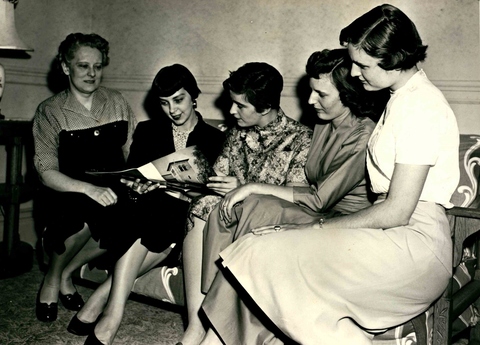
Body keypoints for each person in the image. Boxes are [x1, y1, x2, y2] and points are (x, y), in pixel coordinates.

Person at [196, 4, 460, 345]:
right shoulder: (401, 98)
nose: (352, 73)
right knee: (257, 248)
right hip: (390, 234)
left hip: (414, 246)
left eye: (362, 65)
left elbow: (397, 210)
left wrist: (315, 228)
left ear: (393, 59)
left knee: (265, 251)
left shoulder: (421, 106)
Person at [67, 64, 226, 345]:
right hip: (147, 211)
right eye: (164, 103)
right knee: (145, 214)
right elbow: (131, 177)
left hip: (186, 218)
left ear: (194, 96)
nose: (172, 110)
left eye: (179, 100)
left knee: (157, 217)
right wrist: (136, 185)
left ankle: (105, 300)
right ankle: (113, 314)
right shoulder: (148, 130)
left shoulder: (216, 139)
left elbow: (214, 192)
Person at [179, 62, 313, 345]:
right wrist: (215, 183)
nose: (231, 111)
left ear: (264, 107)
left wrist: (242, 188)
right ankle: (195, 324)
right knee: (202, 207)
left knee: (223, 212)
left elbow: (297, 200)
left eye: (240, 106)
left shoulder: (301, 139)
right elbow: (220, 174)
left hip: (269, 222)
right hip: (230, 214)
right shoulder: (237, 132)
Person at [33, 33, 136, 323]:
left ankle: (66, 272)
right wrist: (88, 189)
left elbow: (132, 152)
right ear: (66, 67)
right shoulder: (50, 111)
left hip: (113, 189)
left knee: (132, 218)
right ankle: (52, 280)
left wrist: (138, 178)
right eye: (83, 66)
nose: (92, 73)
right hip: (66, 191)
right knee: (81, 214)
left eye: (98, 66)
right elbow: (45, 171)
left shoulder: (117, 101)